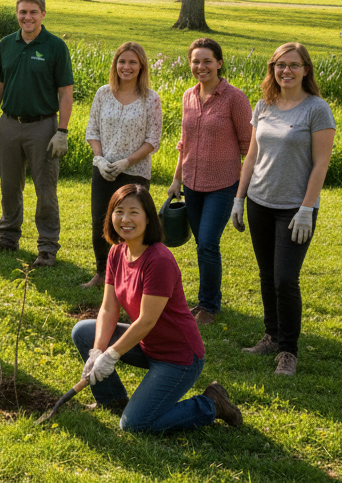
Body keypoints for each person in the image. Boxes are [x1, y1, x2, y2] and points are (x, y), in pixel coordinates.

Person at [70, 184, 243, 433]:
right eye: (119, 211)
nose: (125, 219)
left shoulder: (159, 260)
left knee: (135, 424)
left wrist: (111, 355)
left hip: (178, 358)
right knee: (84, 331)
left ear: (149, 218)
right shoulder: (117, 252)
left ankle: (211, 404)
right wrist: (97, 351)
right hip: (146, 345)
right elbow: (108, 308)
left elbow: (146, 321)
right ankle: (112, 400)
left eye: (134, 212)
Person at [233, 42, 335, 376]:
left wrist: (307, 208)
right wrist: (239, 198)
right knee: (267, 275)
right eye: (280, 65)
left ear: (306, 70)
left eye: (293, 65)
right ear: (272, 69)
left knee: (286, 279)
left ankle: (288, 351)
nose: (286, 71)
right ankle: (271, 336)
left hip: (295, 208)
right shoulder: (264, 105)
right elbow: (252, 156)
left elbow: (321, 164)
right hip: (259, 201)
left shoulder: (317, 109)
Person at [0, 0, 74, 265]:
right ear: (17, 14)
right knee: (9, 186)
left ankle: (47, 247)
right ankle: (7, 238)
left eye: (33, 12)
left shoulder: (55, 46)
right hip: (9, 125)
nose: (27, 17)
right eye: (23, 12)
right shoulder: (7, 44)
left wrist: (62, 131)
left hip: (42, 127)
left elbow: (65, 92)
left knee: (45, 189)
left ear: (43, 14)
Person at [168, 38, 252, 326]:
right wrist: (176, 179)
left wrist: (243, 191)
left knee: (207, 243)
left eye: (207, 61)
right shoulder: (188, 96)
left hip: (223, 184)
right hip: (192, 183)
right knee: (201, 245)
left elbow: (249, 146)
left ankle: (209, 306)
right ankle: (205, 300)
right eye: (195, 61)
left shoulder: (235, 98)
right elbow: (185, 142)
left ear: (219, 63)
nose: (200, 66)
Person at [82, 42, 162, 288]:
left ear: (141, 66)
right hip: (104, 170)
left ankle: (131, 275)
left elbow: (153, 140)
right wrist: (99, 158)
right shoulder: (103, 93)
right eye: (122, 61)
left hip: (134, 172)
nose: (126, 67)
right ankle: (102, 273)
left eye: (132, 62)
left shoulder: (151, 99)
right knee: (102, 221)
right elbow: (92, 129)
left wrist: (127, 161)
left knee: (132, 224)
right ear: (115, 64)